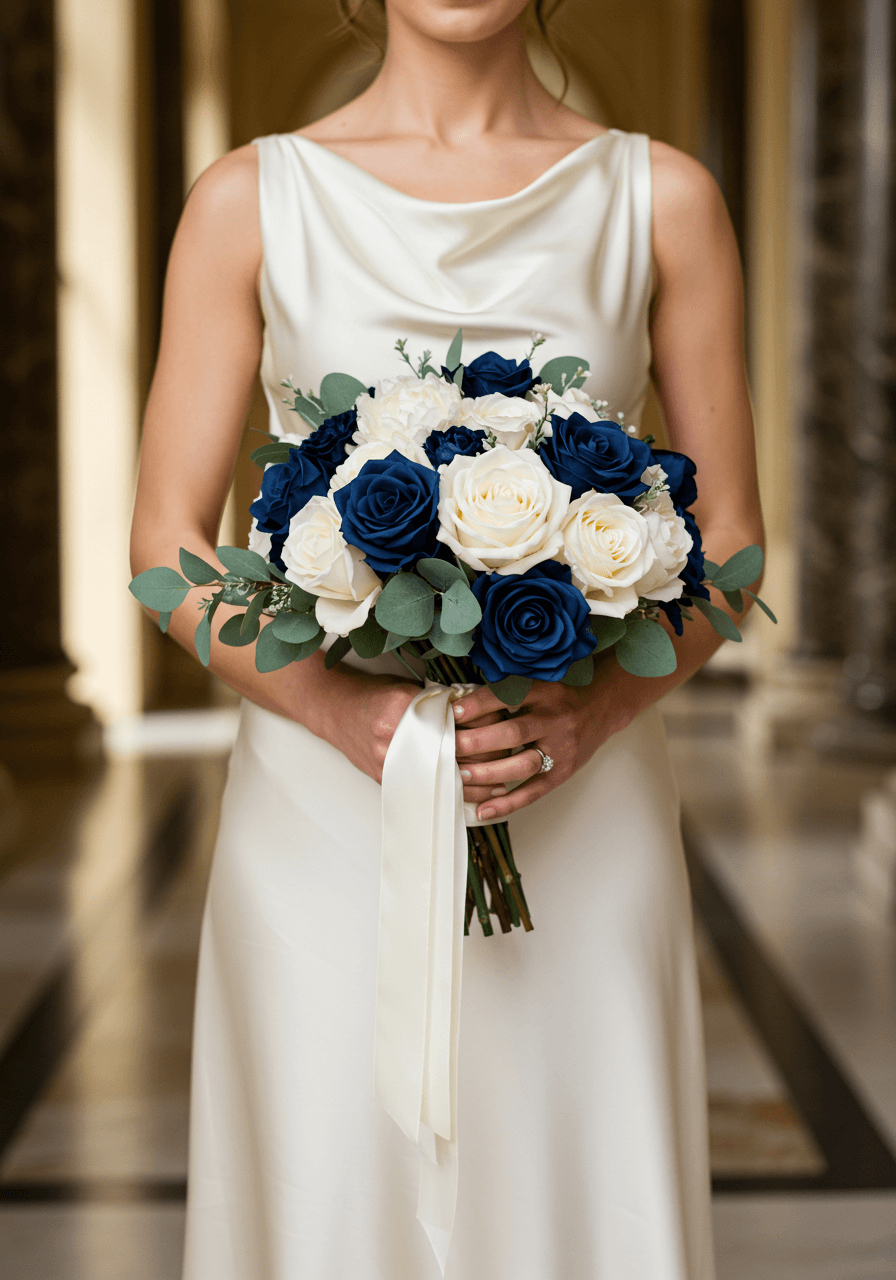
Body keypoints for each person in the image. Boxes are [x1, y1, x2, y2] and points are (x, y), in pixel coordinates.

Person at [131, 1, 763, 1276]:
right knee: (329, 1188)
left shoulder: (665, 199)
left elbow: (735, 548)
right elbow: (162, 548)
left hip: (580, 799)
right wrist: (340, 714)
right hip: (319, 820)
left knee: (574, 1176)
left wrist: (591, 713)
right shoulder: (250, 198)